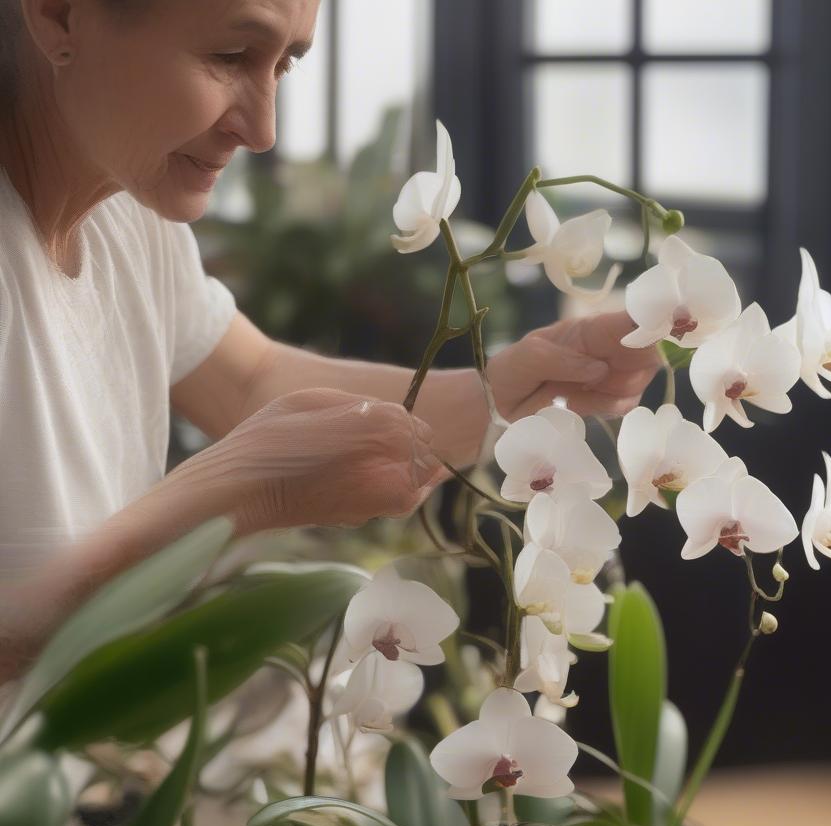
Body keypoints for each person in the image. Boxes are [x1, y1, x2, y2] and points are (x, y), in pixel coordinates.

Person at [0, 0, 660, 684]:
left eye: (284, 64)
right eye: (229, 58)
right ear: (57, 13)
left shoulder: (130, 218)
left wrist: (510, 389)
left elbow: (250, 378)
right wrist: (246, 495)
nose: (263, 130)